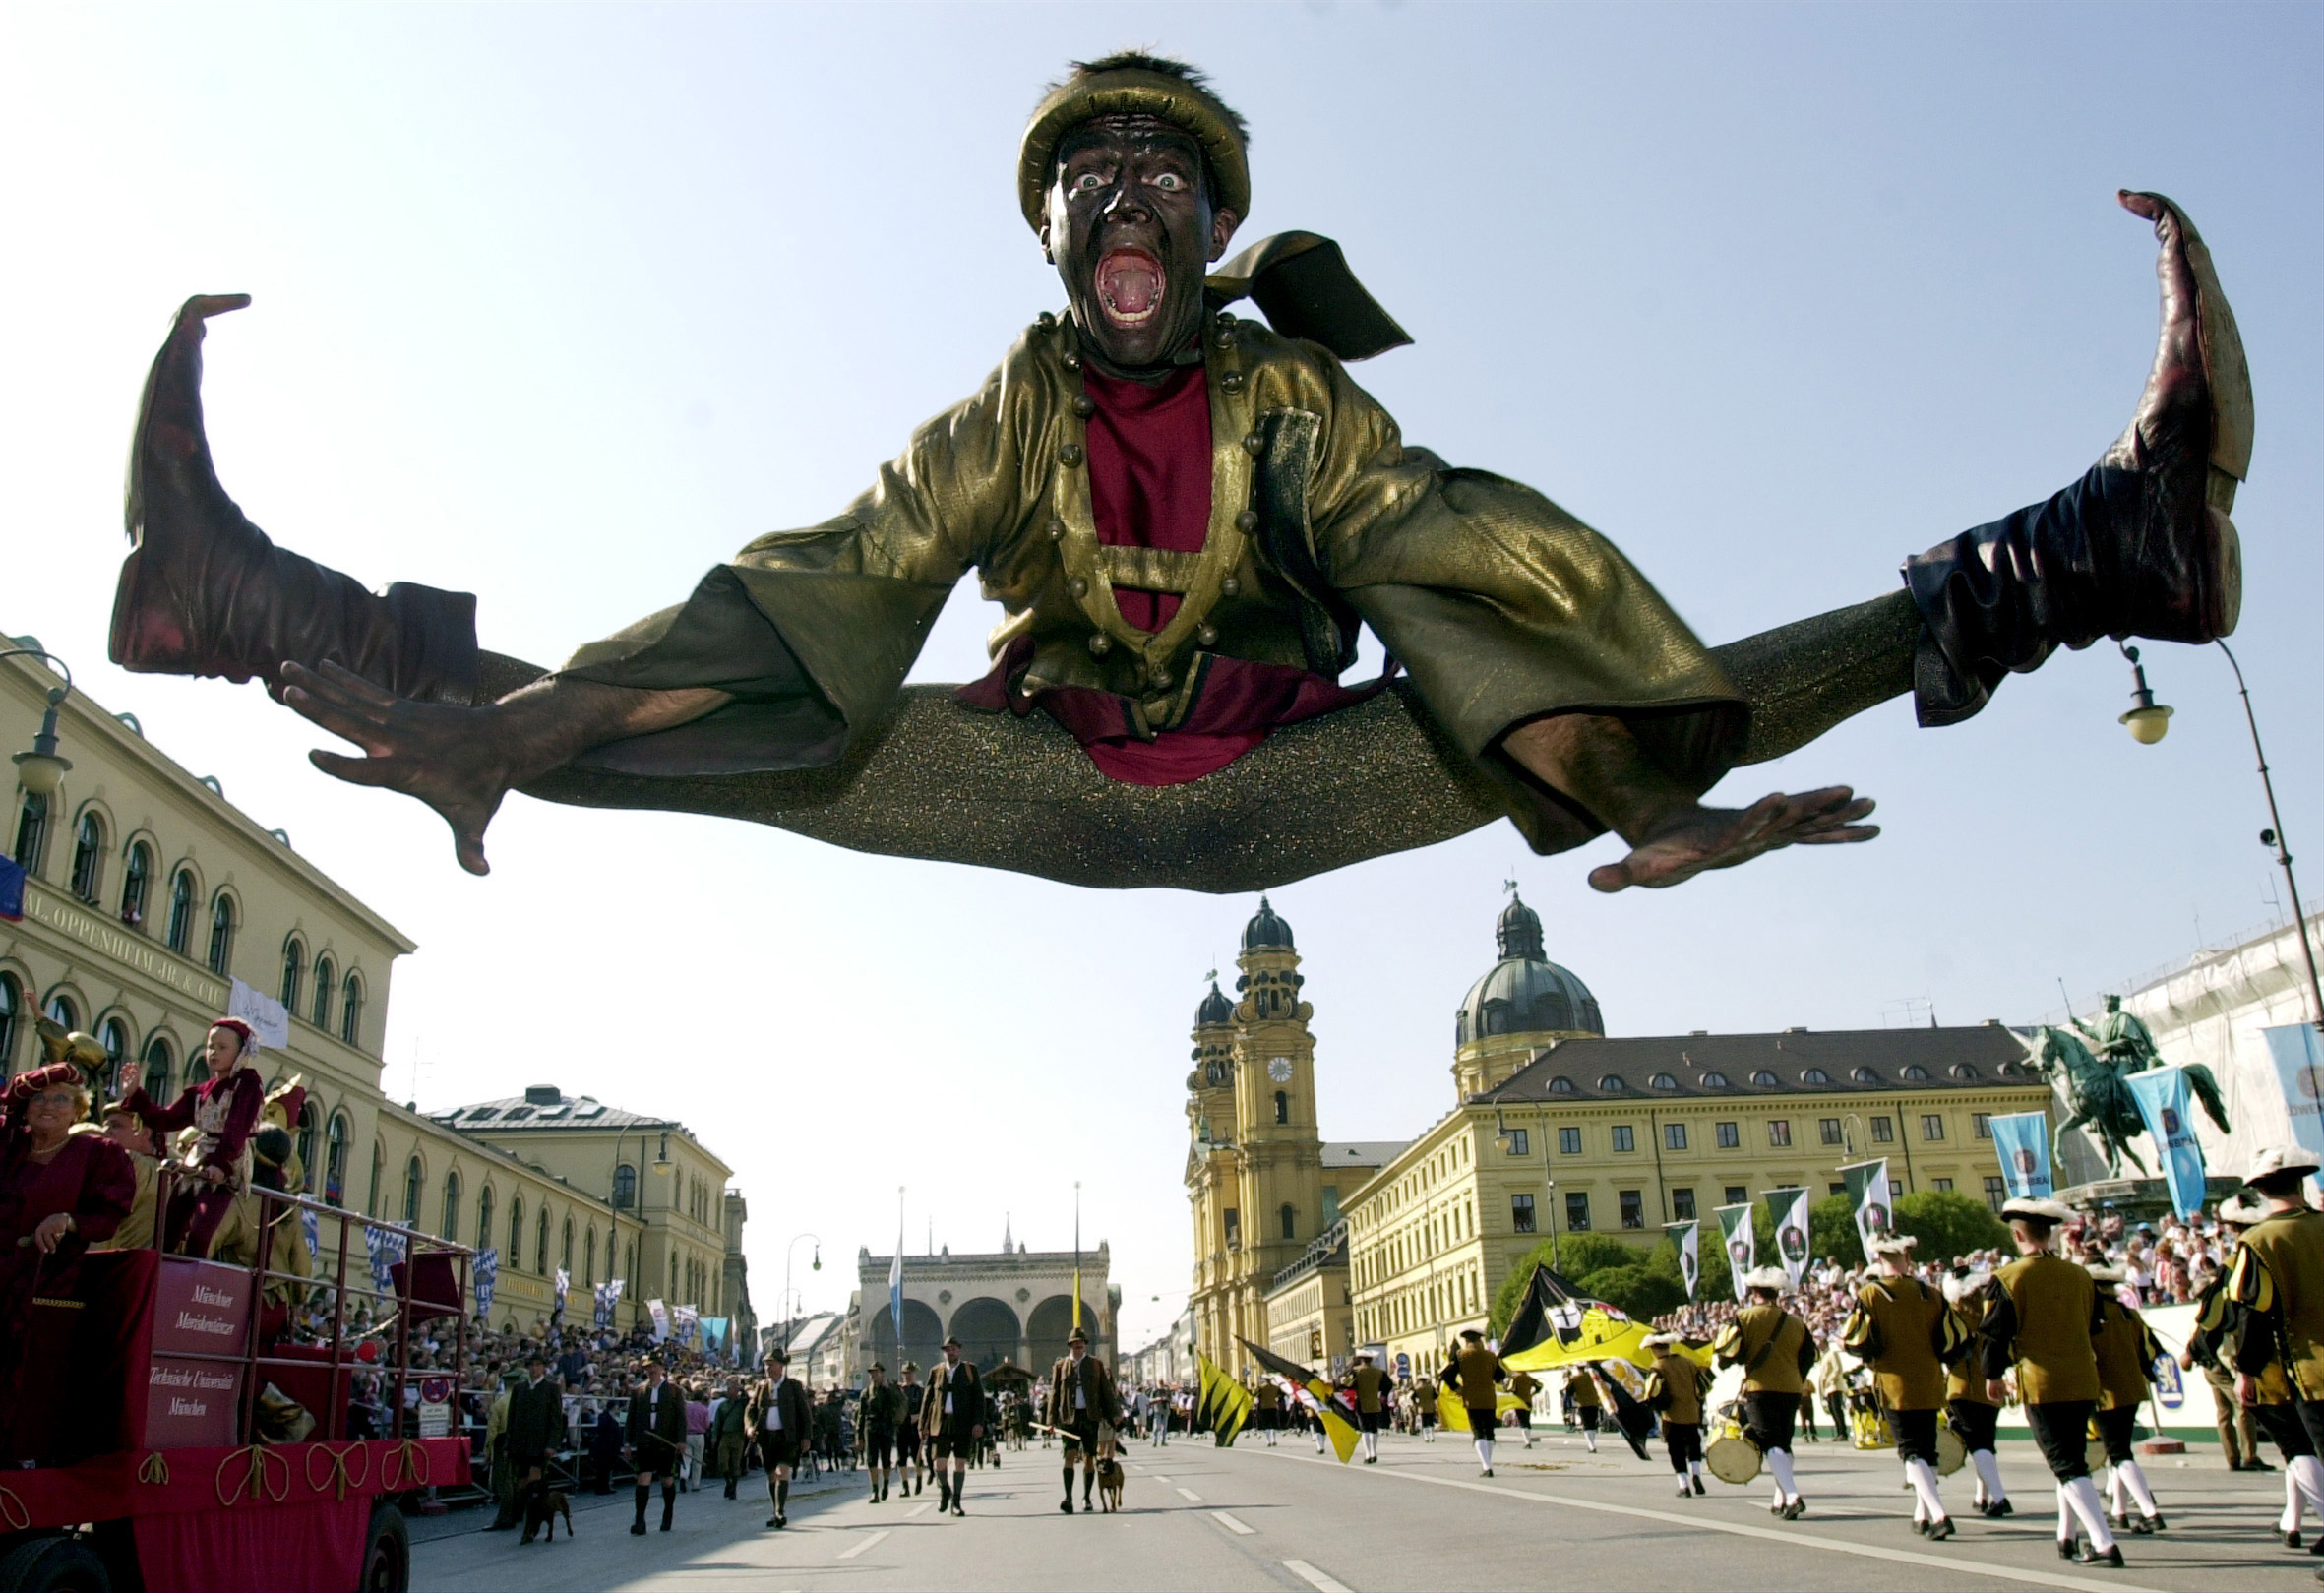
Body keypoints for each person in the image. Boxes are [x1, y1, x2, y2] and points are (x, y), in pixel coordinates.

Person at [124, 57, 2246, 911]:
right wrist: (532, 717)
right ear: (1053, 237)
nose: (1119, 196)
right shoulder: (1005, 404)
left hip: (1295, 780)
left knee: (1515, 626)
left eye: (1160, 177)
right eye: (1084, 181)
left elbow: (1443, 554)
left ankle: (2085, 554)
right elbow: (837, 575)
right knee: (730, 705)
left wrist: (1638, 785)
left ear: (1214, 235)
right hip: (1040, 777)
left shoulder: (1284, 397)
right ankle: (250, 608)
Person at [0, 1063, 136, 1463]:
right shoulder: (9, 1146)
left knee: (27, 1382)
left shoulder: (96, 1153)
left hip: (47, 1283)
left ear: (78, 1111)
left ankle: (20, 1465)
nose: (47, 1106)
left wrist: (68, 1220)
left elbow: (109, 1215)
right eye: (39, 1098)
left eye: (60, 1099)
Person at [1977, 1196, 2121, 1566]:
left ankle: (2104, 1542)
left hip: (2043, 1382)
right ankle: (2067, 1535)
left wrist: (1991, 1374)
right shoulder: (2080, 1274)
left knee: (2065, 1463)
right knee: (2071, 1459)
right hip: (2083, 1379)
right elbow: (2093, 1326)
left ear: (2017, 1233)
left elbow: (1996, 1334)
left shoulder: (2010, 1278)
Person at [2228, 1146, 2324, 1563]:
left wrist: (2246, 1371)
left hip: (2310, 1370)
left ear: (2262, 1190)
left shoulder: (2258, 1241)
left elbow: (2253, 1315)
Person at [1843, 1235, 1960, 1541]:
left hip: (1895, 1384)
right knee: (1927, 1449)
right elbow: (1950, 1339)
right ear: (1907, 1255)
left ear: (1879, 1257)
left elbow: (1854, 1339)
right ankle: (1922, 1513)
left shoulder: (1871, 1294)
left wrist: (1872, 1357)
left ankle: (1938, 1513)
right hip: (1930, 1379)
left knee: (1911, 1451)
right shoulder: (1931, 1293)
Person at [116, 1018, 262, 1256]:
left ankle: (193, 1281)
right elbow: (165, 1120)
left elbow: (237, 1128)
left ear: (241, 1051)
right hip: (198, 1158)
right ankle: (162, 1272)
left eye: (222, 1047)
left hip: (227, 1161)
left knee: (200, 1234)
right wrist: (136, 1094)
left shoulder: (248, 1084)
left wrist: (221, 1164)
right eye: (210, 1045)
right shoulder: (201, 1091)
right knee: (168, 1230)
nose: (214, 1052)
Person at [1714, 1266, 1816, 1519]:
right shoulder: (1796, 1322)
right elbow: (1809, 1357)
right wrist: (1795, 1378)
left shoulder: (1744, 1317)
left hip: (1761, 1388)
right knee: (1783, 1441)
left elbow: (1727, 1354)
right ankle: (1779, 1498)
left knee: (1769, 1441)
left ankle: (1792, 1496)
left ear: (1753, 1292)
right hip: (1792, 1388)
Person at [2087, 1262, 2167, 1534]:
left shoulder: (2088, 1316)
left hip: (2105, 1392)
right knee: (2118, 1449)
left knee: (2119, 1452)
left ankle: (2149, 1511)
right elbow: (2152, 1350)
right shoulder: (2129, 1314)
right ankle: (2119, 1510)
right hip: (2133, 1389)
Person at [1943, 1265, 2012, 1519]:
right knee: (1986, 1443)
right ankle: (1981, 1496)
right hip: (1991, 1386)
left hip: (1963, 1385)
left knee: (1977, 1443)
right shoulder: (1990, 1312)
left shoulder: (1954, 1314)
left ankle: (1999, 1496)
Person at [1048, 1328, 1121, 1512]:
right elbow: (1054, 1393)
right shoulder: (1060, 1366)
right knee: (1070, 1455)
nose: (1078, 1347)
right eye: (1075, 1344)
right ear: (1070, 1345)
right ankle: (1068, 1498)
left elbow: (1106, 1391)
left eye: (1081, 1344)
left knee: (1090, 1457)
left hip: (1090, 1417)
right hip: (1069, 1418)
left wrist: (1115, 1413)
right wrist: (1050, 1420)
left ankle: (1087, 1497)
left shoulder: (1095, 1364)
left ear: (1085, 1345)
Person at [746, 1347, 813, 1528]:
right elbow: (750, 1411)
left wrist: (806, 1437)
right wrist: (750, 1427)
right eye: (766, 1364)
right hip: (766, 1438)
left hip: (787, 1437)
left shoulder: (793, 1387)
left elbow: (805, 1414)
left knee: (782, 1472)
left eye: (771, 1364)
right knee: (771, 1475)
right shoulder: (761, 1387)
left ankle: (780, 1511)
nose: (768, 1368)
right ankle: (775, 1510)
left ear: (781, 1366)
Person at [508, 1353, 566, 1544]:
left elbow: (556, 1419)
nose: (534, 1368)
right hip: (521, 1445)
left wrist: (552, 1444)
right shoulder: (520, 1389)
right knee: (521, 1484)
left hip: (540, 1445)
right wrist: (510, 1443)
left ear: (544, 1368)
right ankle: (525, 1519)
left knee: (534, 1485)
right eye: (531, 1365)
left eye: (538, 1365)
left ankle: (530, 1528)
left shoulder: (550, 1389)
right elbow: (512, 1418)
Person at [626, 1360, 688, 1535]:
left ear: (661, 1368)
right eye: (647, 1368)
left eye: (654, 1367)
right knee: (642, 1478)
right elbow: (631, 1418)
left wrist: (681, 1441)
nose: (651, 1370)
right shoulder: (639, 1391)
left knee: (667, 1480)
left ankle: (668, 1513)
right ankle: (639, 1520)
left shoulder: (674, 1390)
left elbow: (681, 1418)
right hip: (645, 1441)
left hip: (665, 1442)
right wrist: (627, 1443)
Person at [923, 1336, 984, 1516]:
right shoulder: (936, 1371)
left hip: (963, 1423)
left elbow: (979, 1399)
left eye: (954, 1349)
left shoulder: (970, 1370)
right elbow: (928, 1399)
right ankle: (945, 1490)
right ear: (944, 1352)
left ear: (960, 1351)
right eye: (948, 1349)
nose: (951, 1352)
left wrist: (978, 1422)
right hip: (940, 1423)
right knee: (939, 1463)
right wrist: (922, 1425)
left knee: (960, 1463)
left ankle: (956, 1502)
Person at [1644, 1333, 1709, 1498]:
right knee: (1693, 1446)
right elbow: (1704, 1386)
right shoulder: (1688, 1362)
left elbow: (1650, 1391)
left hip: (1671, 1415)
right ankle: (1696, 1474)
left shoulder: (1658, 1366)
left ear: (1654, 1350)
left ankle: (1684, 1485)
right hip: (1692, 1412)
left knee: (1676, 1450)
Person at [93, 1100, 159, 1252]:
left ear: (145, 1133)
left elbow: (100, 1220)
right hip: (146, 1264)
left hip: (111, 1261)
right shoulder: (169, 1169)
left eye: (116, 1125)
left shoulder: (126, 1160)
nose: (106, 1131)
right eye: (106, 1125)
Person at [1441, 1328, 1507, 1477]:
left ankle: (1486, 1466)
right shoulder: (1490, 1356)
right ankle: (1487, 1463)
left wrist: (1458, 1389)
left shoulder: (1461, 1356)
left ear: (1466, 1341)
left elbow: (1446, 1375)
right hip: (1489, 1398)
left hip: (1471, 1398)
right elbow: (1499, 1376)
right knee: (1489, 1432)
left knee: (1478, 1432)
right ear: (1480, 1340)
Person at [858, 1362, 905, 1501]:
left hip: (886, 1426)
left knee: (886, 1459)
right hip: (871, 1427)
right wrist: (859, 1436)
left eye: (876, 1372)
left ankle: (885, 1484)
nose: (873, 1375)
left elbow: (899, 1402)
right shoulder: (866, 1393)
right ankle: (874, 1490)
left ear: (882, 1373)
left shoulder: (890, 1389)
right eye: (871, 1372)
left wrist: (889, 1389)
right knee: (871, 1460)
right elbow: (861, 1415)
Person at [1340, 1349, 1393, 1465]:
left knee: (1365, 1429)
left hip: (1360, 1402)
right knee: (1374, 1429)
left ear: (1360, 1360)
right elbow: (1389, 1385)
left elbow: (1345, 1383)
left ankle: (1368, 1454)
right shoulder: (1379, 1372)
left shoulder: (1355, 1371)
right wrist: (1383, 1395)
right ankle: (1374, 1453)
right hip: (1374, 1402)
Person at [711, 1376, 749, 1499]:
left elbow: (749, 1401)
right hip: (725, 1435)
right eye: (729, 1390)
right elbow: (717, 1422)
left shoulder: (742, 1404)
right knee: (723, 1462)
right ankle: (728, 1482)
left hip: (738, 1435)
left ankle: (734, 1487)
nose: (730, 1392)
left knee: (735, 1463)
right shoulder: (723, 1406)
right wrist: (714, 1436)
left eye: (733, 1390)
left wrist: (741, 1389)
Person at [895, 1361, 927, 1497]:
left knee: (917, 1458)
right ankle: (905, 1486)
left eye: (910, 1373)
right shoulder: (898, 1391)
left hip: (915, 1427)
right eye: (905, 1373)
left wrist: (919, 1416)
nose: (908, 1376)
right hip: (902, 1427)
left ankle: (919, 1479)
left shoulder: (919, 1391)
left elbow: (926, 1408)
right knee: (901, 1458)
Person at [1562, 1367, 1602, 1455]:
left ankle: (1591, 1445)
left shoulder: (1575, 1379)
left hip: (1582, 1403)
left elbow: (1569, 1392)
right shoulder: (1593, 1377)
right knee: (1592, 1424)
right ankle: (1592, 1444)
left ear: (1577, 1368)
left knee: (1586, 1424)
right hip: (1594, 1402)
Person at [588, 1398, 624, 1496]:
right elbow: (601, 1430)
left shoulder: (616, 1416)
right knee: (603, 1468)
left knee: (608, 1468)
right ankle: (601, 1487)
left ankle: (606, 1485)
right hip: (605, 1446)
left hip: (613, 1446)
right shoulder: (605, 1416)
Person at [684, 1381, 710, 1492]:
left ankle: (683, 1477)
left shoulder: (687, 1408)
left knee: (686, 1459)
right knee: (697, 1460)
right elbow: (707, 1424)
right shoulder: (704, 1409)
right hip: (699, 1435)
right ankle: (695, 1484)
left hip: (687, 1434)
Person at [1508, 1368, 1542, 1449]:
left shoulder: (1515, 1379)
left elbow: (1510, 1389)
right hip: (1528, 1401)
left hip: (1519, 1402)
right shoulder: (1529, 1378)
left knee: (1522, 1422)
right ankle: (1528, 1440)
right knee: (1527, 1420)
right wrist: (1533, 1393)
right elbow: (1540, 1385)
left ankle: (1527, 1442)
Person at [1253, 1375, 1283, 1446]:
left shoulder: (1261, 1388)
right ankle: (1274, 1440)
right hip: (1273, 1406)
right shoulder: (1276, 1388)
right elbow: (1280, 1396)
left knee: (1266, 1425)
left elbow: (1255, 1395)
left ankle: (1268, 1440)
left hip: (1264, 1407)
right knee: (1273, 1424)